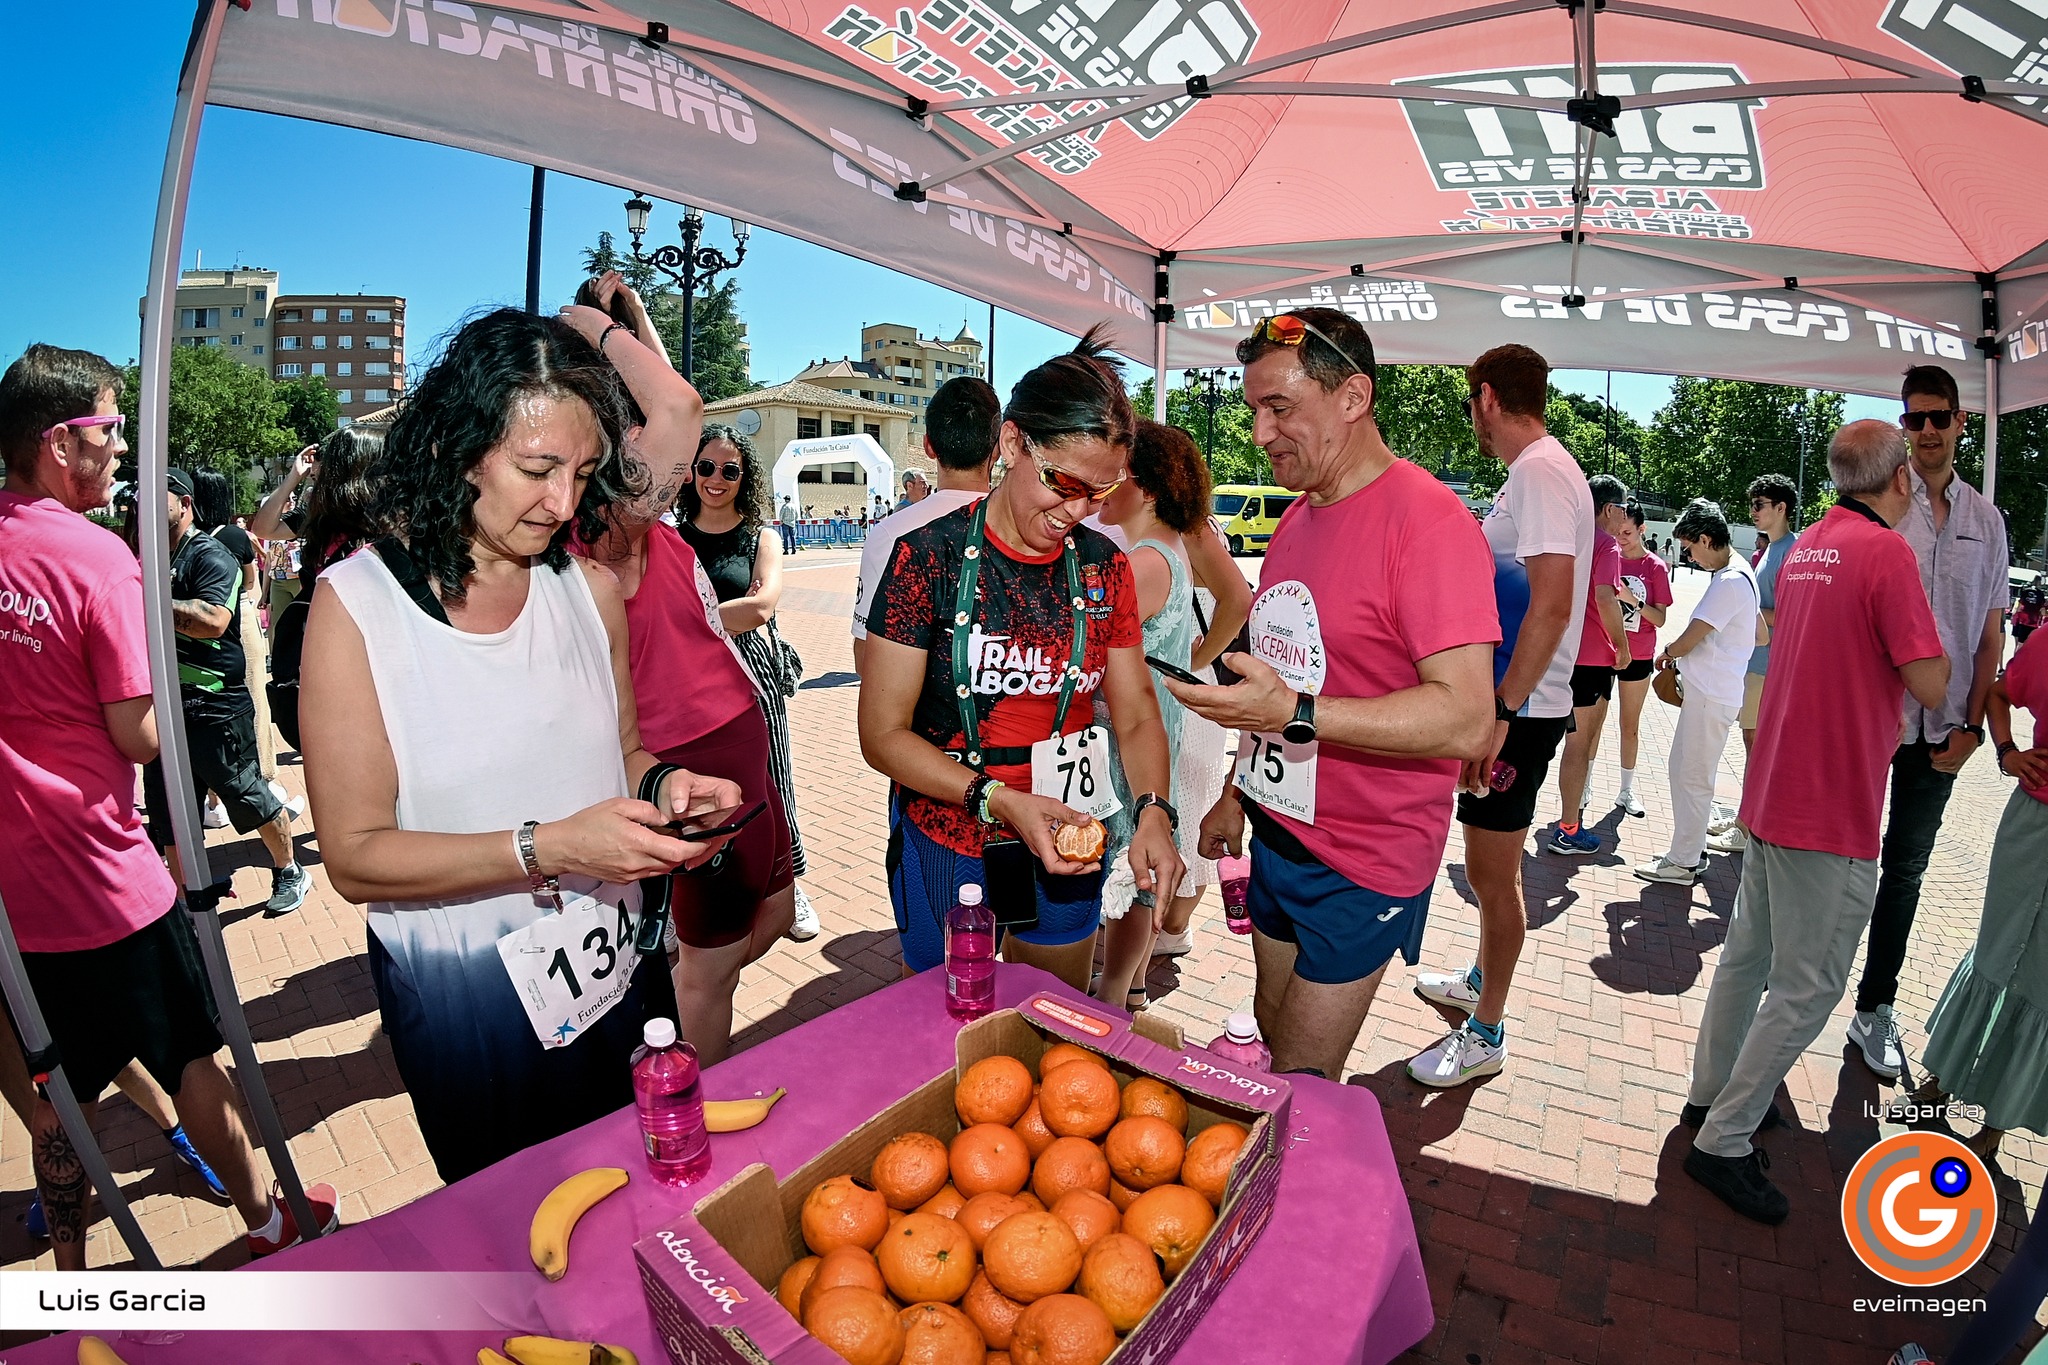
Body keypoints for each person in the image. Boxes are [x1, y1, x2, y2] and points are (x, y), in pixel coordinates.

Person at [299, 309, 743, 1182]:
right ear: (459, 448)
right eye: (538, 470)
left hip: (620, 972)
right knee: (518, 1218)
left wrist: (670, 790)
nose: (564, 503)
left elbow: (625, 752)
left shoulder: (590, 589)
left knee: (649, 1179)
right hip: (470, 1008)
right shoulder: (358, 607)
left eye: (582, 472)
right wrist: (552, 847)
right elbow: (355, 855)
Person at [0, 343, 336, 1265]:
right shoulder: (97, 558)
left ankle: (71, 1286)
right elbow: (140, 734)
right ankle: (267, 1218)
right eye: (110, 427)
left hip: (15, 898)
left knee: (54, 1090)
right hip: (103, 878)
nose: (121, 446)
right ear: (60, 440)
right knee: (190, 1054)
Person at [1167, 311, 1497, 1081]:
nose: (1259, 432)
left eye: (1279, 407)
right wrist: (1234, 795)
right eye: (1254, 409)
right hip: (1278, 832)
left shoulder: (1429, 521)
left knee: (1302, 1079)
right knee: (1272, 1032)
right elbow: (1280, 679)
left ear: (1353, 397)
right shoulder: (1296, 518)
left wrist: (1298, 715)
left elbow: (1467, 716)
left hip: (1364, 861)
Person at [859, 326, 1184, 990]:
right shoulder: (925, 557)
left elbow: (1136, 714)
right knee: (948, 1015)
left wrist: (1155, 808)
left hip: (1068, 830)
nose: (1078, 510)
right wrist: (998, 799)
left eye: (1101, 492)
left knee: (1051, 1011)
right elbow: (882, 735)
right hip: (949, 829)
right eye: (1062, 482)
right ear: (1011, 444)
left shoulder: (1105, 567)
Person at [1681, 421, 1947, 1224]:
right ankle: (1724, 1137)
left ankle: (1710, 1097)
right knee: (1808, 986)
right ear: (1898, 478)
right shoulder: (1886, 554)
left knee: (1748, 962)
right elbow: (1930, 681)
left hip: (1776, 788)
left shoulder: (1805, 549)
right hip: (1829, 803)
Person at [565, 277, 807, 1059]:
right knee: (710, 969)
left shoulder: (642, 512)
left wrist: (634, 317)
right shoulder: (603, 522)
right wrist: (584, 322)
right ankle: (680, 1094)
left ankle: (658, 1013)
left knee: (772, 915)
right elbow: (680, 409)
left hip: (739, 738)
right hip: (691, 753)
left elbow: (673, 402)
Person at [1409, 343, 1590, 1089]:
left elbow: (1550, 606)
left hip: (1522, 709)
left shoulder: (1541, 471)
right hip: (1516, 702)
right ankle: (1482, 977)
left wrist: (1502, 709)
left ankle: (1487, 1028)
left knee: (1491, 873)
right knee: (1488, 867)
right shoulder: (1539, 471)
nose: (1472, 420)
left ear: (1487, 397)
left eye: (1470, 405)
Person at [1845, 364, 2012, 1082]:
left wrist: (1973, 728)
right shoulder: (1878, 506)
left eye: (1939, 416)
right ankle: (1789, 995)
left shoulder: (1987, 521)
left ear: (1961, 421)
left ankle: (1873, 1006)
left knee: (1905, 871)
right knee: (1838, 862)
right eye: (1914, 418)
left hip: (1942, 733)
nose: (1927, 431)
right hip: (1869, 721)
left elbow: (1990, 635)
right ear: (1903, 424)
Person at [1905, 630, 2048, 1160]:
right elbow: (2000, 692)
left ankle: (1997, 1123)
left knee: (2043, 978)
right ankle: (1941, 1081)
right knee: (1995, 947)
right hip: (2032, 820)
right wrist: (2008, 752)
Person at [142, 468, 311, 917]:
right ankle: (186, 895)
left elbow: (215, 620)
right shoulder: (148, 557)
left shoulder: (210, 555)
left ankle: (290, 869)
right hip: (166, 709)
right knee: (168, 812)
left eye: (158, 496)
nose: (145, 504)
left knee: (249, 795)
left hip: (216, 704)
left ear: (185, 503)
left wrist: (148, 597)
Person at [678, 424, 818, 940]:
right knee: (689, 781)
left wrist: (691, 617)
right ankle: (679, 890)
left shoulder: (762, 537)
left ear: (745, 477)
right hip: (685, 676)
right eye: (706, 467)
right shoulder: (671, 538)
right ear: (691, 472)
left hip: (751, 672)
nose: (716, 479)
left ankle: (790, 881)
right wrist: (725, 612)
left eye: (730, 470)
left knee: (772, 775)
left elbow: (761, 607)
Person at [1091, 420, 1210, 1011]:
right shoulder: (1166, 551)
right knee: (1135, 854)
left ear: (1147, 488)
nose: (1103, 486)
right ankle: (1130, 983)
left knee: (1128, 858)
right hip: (1152, 719)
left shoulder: (1142, 562)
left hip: (1127, 731)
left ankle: (1115, 991)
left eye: (1116, 475)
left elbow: (1089, 646)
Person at [1632, 500, 1758, 886]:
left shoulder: (1730, 580)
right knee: (1689, 773)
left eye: (1690, 548)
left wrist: (1668, 653)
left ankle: (1684, 861)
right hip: (1716, 692)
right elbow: (1759, 633)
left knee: (1691, 776)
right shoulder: (1740, 572)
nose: (1689, 556)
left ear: (1705, 539)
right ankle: (1690, 853)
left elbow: (1691, 637)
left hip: (1710, 694)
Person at [1151, 513, 1253, 957]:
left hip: (1189, 694)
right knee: (1176, 807)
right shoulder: (1172, 526)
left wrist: (1199, 659)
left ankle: (1173, 928)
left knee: (1190, 812)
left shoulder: (1191, 528)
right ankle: (1165, 927)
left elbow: (1238, 598)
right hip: (1170, 691)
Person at [852, 376, 1001, 676]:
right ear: (998, 448)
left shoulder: (891, 534)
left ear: (928, 446)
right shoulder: (1034, 531)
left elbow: (866, 657)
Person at [1709, 473, 1801, 854]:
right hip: (1759, 663)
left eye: (1759, 505)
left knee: (1758, 746)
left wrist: (1746, 610)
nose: (1753, 511)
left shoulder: (1790, 551)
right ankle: (1746, 817)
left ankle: (1748, 826)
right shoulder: (1774, 550)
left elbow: (1791, 612)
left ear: (1781, 508)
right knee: (1754, 745)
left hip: (1769, 666)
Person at [1547, 473, 1632, 855]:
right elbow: (1605, 597)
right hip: (1591, 658)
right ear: (1610, 508)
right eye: (1623, 509)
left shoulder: (1569, 536)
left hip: (1554, 651)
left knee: (1543, 740)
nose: (1625, 517)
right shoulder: (1606, 544)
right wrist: (1623, 647)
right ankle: (1569, 828)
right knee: (1579, 746)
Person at [192, 467, 279, 784]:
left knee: (209, 700)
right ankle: (264, 775)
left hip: (197, 619)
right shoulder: (235, 535)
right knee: (255, 695)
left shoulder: (185, 540)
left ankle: (214, 792)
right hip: (239, 616)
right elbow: (249, 581)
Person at [1610, 500, 1671, 818]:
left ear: (1642, 529)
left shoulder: (1655, 567)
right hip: (1603, 650)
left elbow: (1659, 619)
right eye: (1617, 532)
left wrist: (1632, 600)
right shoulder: (1608, 558)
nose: (1621, 538)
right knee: (1589, 726)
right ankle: (1584, 786)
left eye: (1628, 533)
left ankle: (1626, 790)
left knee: (1629, 725)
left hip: (1639, 653)